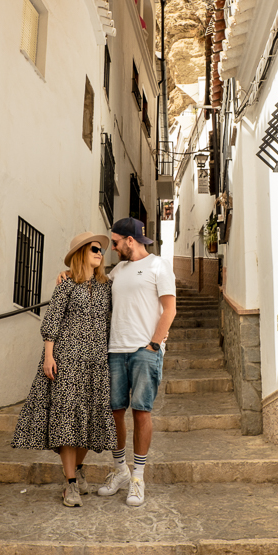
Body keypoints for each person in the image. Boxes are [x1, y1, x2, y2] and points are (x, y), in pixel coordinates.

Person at [11, 231, 116, 507]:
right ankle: (70, 483)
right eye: (94, 249)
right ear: (82, 252)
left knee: (88, 422)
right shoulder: (67, 284)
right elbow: (52, 321)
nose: (100, 253)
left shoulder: (107, 286)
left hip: (96, 363)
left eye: (101, 250)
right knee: (68, 421)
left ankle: (78, 470)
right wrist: (49, 356)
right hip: (67, 360)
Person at [97, 216, 176, 508]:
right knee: (116, 412)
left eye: (116, 242)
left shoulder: (158, 266)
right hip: (116, 350)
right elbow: (91, 285)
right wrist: (67, 275)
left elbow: (170, 309)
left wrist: (155, 344)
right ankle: (120, 472)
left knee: (141, 413)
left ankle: (138, 478)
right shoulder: (117, 270)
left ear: (130, 240)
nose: (113, 248)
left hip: (145, 350)